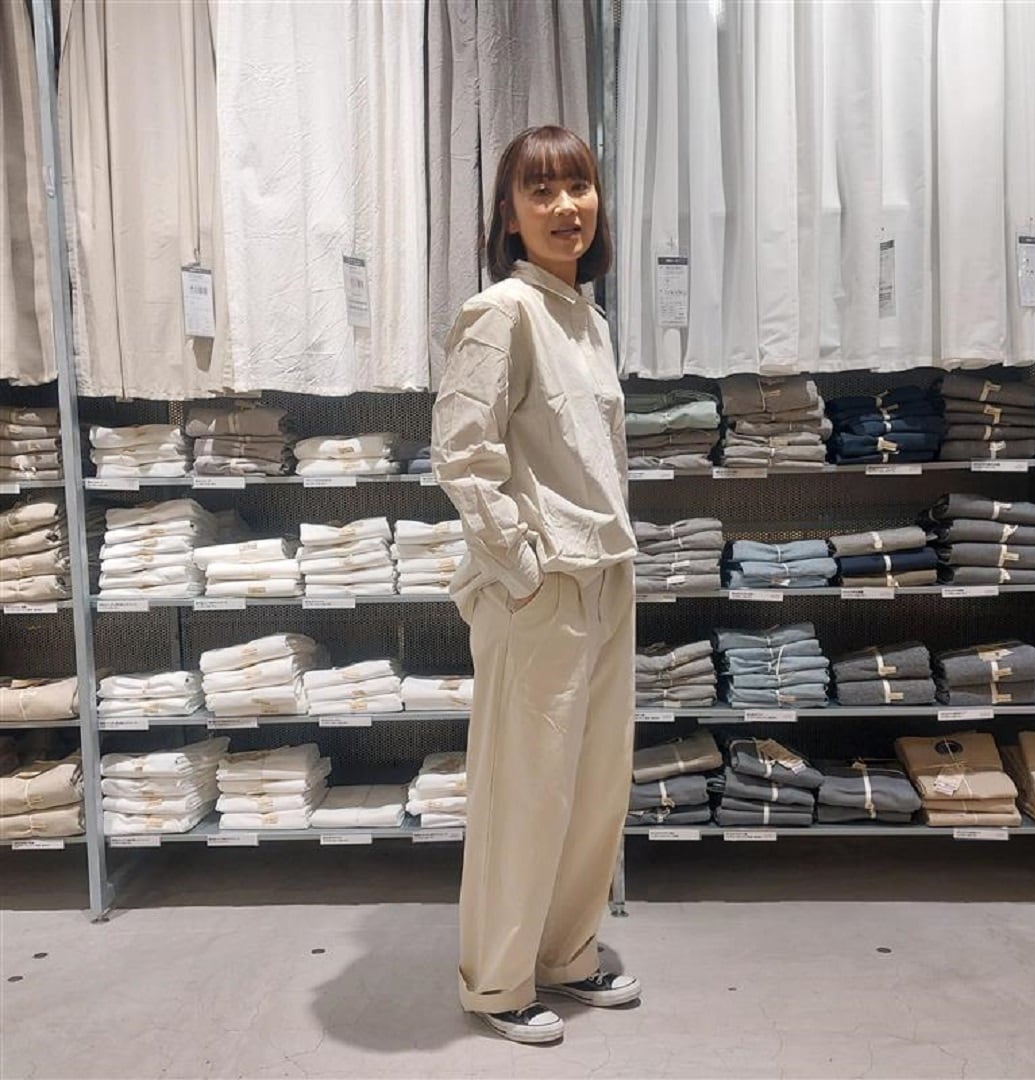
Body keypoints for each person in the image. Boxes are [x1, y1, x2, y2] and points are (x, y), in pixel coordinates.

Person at [431, 125, 641, 1045]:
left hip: (606, 575)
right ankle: (498, 979)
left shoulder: (588, 321)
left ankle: (565, 953)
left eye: (578, 187)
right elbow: (461, 454)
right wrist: (518, 568)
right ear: (509, 216)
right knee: (523, 788)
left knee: (595, 787)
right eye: (542, 191)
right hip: (544, 584)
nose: (565, 207)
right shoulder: (500, 312)